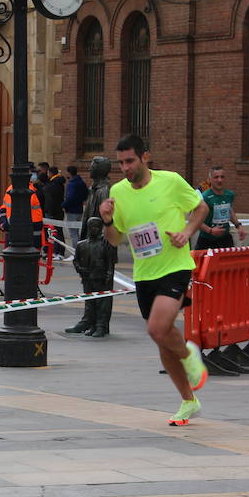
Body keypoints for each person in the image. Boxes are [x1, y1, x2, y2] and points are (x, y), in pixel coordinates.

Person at [99, 134, 209, 426]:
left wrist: (187, 232)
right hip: (144, 273)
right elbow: (114, 241)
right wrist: (108, 220)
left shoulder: (171, 181)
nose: (125, 167)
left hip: (175, 266)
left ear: (145, 157)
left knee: (157, 329)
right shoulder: (118, 192)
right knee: (162, 340)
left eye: (130, 161)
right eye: (120, 163)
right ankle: (189, 401)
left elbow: (201, 208)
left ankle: (191, 357)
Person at [68, 216, 117, 338]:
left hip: (101, 278)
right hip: (87, 278)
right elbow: (76, 261)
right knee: (90, 303)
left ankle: (101, 326)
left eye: (97, 227)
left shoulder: (106, 244)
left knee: (103, 303)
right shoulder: (81, 245)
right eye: (92, 227)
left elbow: (110, 262)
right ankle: (90, 323)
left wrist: (109, 276)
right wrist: (80, 270)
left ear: (101, 228)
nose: (94, 229)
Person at [194, 165, 247, 250]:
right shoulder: (205, 197)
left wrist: (238, 225)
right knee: (202, 263)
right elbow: (194, 219)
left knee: (229, 262)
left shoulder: (229, 194)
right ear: (210, 180)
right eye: (216, 177)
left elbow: (229, 210)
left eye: (222, 177)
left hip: (225, 238)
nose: (220, 180)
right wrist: (210, 230)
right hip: (207, 239)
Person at [62, 164, 89, 252]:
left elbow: (70, 197)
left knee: (73, 233)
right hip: (79, 209)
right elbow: (86, 194)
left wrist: (63, 205)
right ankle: (79, 251)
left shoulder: (71, 184)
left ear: (69, 173)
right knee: (77, 232)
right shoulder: (81, 182)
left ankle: (75, 252)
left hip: (71, 210)